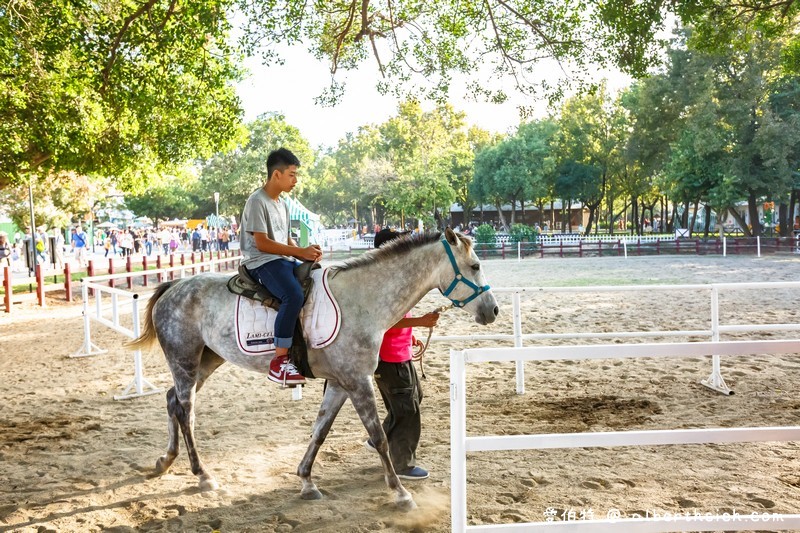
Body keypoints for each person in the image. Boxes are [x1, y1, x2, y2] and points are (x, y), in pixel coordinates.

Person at [240, 147, 322, 386]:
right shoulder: (257, 201)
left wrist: (306, 253)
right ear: (277, 174)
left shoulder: (282, 204)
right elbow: (262, 243)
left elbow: (286, 239)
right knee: (293, 295)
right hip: (261, 261)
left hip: (281, 259)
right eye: (292, 174)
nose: (295, 180)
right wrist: (298, 252)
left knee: (316, 277)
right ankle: (279, 360)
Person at [363, 227, 440, 480]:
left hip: (397, 352)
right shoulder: (381, 283)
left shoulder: (387, 280)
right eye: (401, 243)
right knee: (408, 410)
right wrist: (420, 322)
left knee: (413, 398)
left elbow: (398, 318)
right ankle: (403, 465)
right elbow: (383, 321)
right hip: (390, 357)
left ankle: (379, 439)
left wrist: (412, 333)